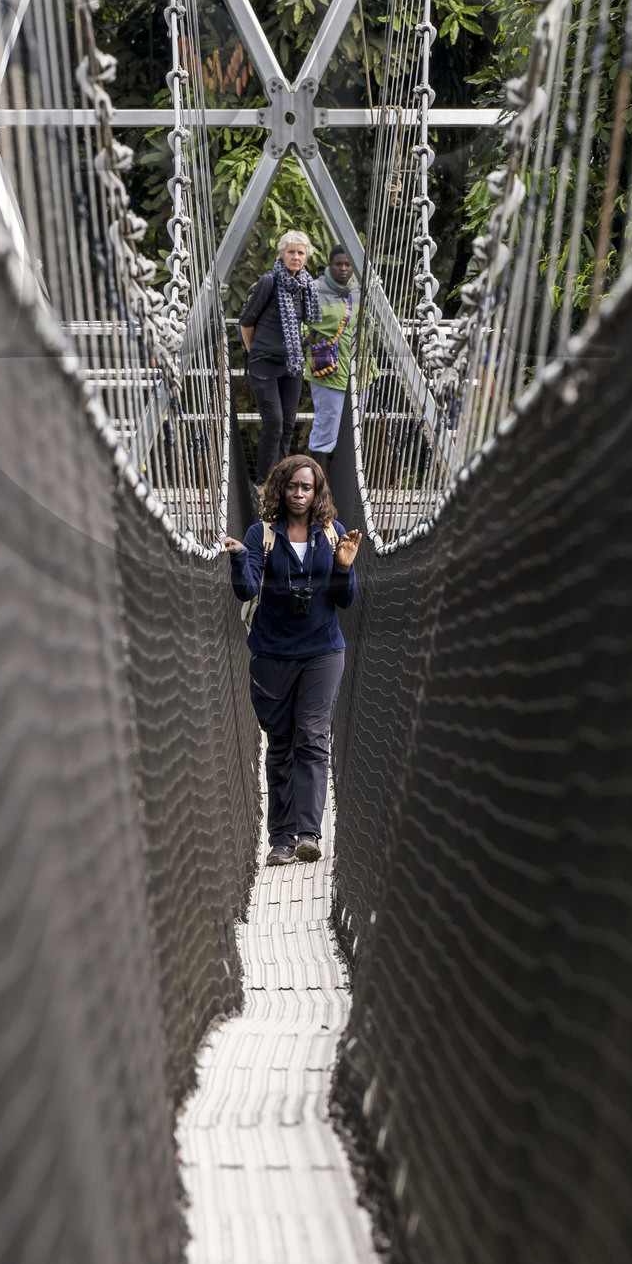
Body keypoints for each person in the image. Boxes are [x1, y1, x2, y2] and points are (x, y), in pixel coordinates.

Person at [225, 456, 362, 866]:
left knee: (313, 736)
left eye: (307, 487)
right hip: (272, 654)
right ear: (280, 490)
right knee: (281, 745)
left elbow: (345, 600)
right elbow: (246, 588)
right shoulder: (260, 534)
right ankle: (281, 841)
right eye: (292, 486)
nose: (299, 494)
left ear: (318, 491)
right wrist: (236, 557)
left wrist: (343, 567)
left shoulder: (332, 533)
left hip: (323, 650)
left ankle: (308, 833)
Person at [238, 230, 316, 483]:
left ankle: (281, 480)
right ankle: (265, 483)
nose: (295, 256)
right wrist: (255, 352)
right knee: (274, 422)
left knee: (288, 426)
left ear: (306, 257)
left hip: (291, 364)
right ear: (281, 254)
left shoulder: (306, 286)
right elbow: (246, 322)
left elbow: (311, 323)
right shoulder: (269, 282)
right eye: (291, 251)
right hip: (264, 364)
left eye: (300, 252)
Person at [306, 245, 356, 470]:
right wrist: (309, 337)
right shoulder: (314, 290)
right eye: (339, 264)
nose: (344, 269)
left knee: (353, 431)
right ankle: (319, 487)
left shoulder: (363, 288)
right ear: (329, 265)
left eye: (348, 264)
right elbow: (299, 324)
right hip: (329, 371)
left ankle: (345, 491)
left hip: (359, 372)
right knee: (326, 429)